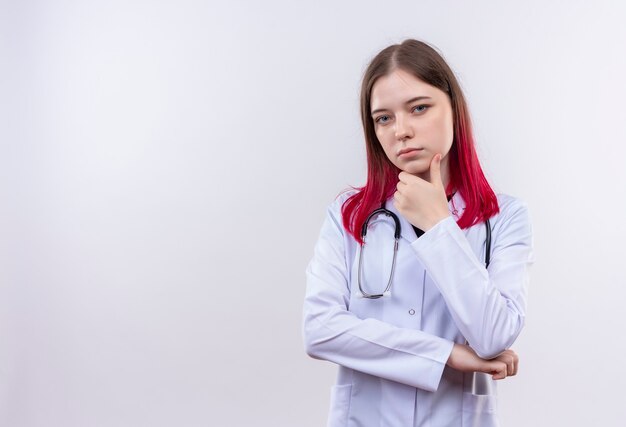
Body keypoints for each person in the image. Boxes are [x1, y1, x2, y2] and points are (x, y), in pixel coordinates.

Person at [302, 39, 534, 427]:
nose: (401, 131)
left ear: (454, 110)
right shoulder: (348, 216)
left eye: (419, 108)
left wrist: (439, 225)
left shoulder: (505, 216)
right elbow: (319, 329)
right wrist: (449, 355)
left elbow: (494, 336)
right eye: (384, 118)